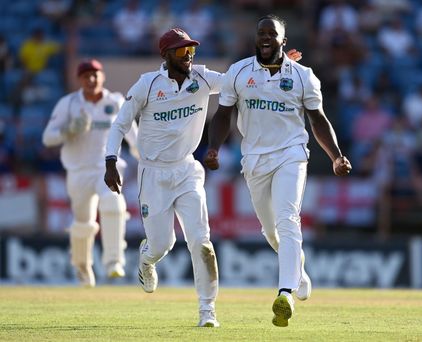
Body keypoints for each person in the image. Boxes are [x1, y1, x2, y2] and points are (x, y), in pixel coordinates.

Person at [104, 28, 302, 328]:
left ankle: (207, 310)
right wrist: (110, 161)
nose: (189, 57)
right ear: (166, 55)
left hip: (187, 171)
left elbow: (240, 82)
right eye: (182, 52)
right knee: (162, 245)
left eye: (192, 51)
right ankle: (146, 258)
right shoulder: (147, 84)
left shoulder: (203, 77)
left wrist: (275, 64)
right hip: (153, 173)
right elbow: (119, 124)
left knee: (201, 242)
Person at [203, 15, 352, 327]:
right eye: (261, 33)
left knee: (288, 220)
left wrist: (336, 156)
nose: (266, 37)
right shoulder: (239, 72)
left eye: (273, 33)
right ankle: (298, 269)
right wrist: (214, 147)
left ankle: (285, 293)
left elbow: (318, 120)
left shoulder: (303, 75)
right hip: (254, 159)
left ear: (284, 40)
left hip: (291, 154)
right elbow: (223, 114)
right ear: (256, 38)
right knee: (271, 232)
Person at [42, 59, 138, 287]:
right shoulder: (69, 104)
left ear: (102, 77)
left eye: (95, 75)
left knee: (114, 205)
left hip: (107, 170)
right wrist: (68, 130)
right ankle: (82, 266)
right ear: (80, 80)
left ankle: (114, 261)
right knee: (83, 223)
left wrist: (147, 161)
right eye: (86, 76)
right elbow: (48, 138)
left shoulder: (115, 102)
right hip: (78, 172)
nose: (91, 80)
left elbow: (134, 138)